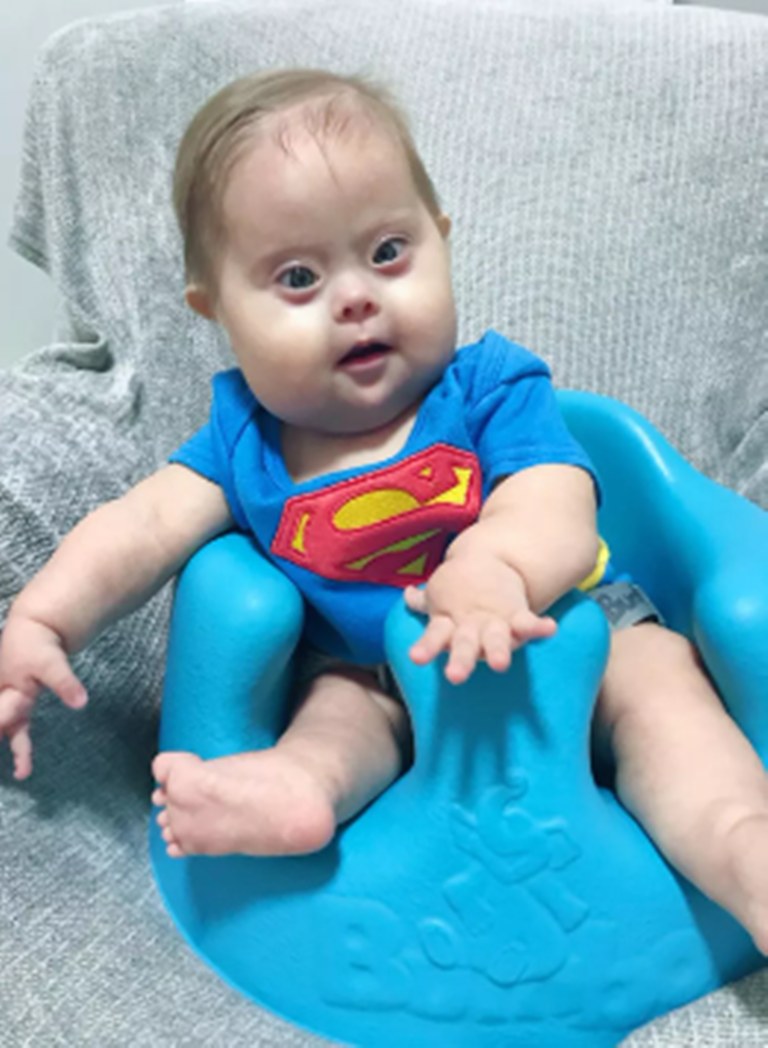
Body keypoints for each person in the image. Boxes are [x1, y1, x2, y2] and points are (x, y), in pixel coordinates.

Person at [2, 68, 768, 953]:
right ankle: (298, 794)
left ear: (441, 238)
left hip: (570, 630)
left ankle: (742, 848)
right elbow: (137, 527)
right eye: (298, 276)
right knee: (335, 720)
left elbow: (554, 499)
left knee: (664, 699)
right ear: (217, 314)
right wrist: (43, 619)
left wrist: (494, 567)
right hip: (375, 672)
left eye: (389, 252)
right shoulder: (243, 445)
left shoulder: (487, 389)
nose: (356, 297)